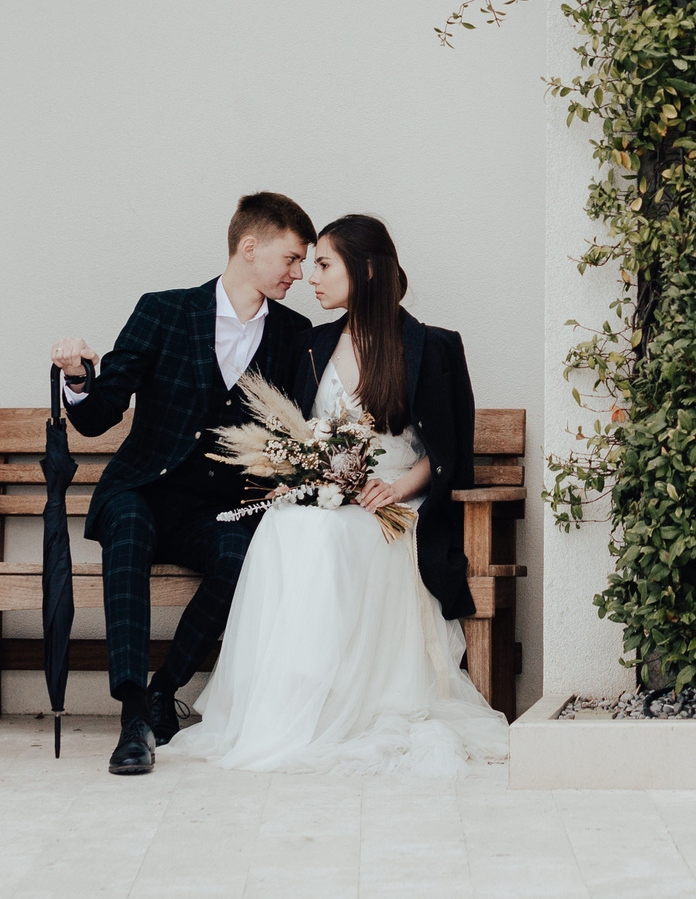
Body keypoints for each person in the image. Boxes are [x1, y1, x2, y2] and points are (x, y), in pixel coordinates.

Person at [173, 212, 508, 776]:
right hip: (325, 497)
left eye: (324, 265)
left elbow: (449, 453)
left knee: (325, 534)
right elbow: (294, 434)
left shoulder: (432, 346)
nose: (311, 277)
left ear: (367, 271)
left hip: (396, 505)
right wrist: (312, 477)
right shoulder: (310, 344)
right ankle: (288, 707)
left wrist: (394, 487)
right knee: (288, 524)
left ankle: (334, 702)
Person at [52, 190, 322, 777]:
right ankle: (132, 719)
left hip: (218, 509)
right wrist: (78, 379)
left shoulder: (294, 333)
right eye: (291, 258)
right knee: (128, 530)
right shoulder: (163, 311)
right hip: (143, 491)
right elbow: (98, 418)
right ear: (249, 247)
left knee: (243, 557)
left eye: (303, 263)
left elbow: (298, 431)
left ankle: (162, 692)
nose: (298, 274)